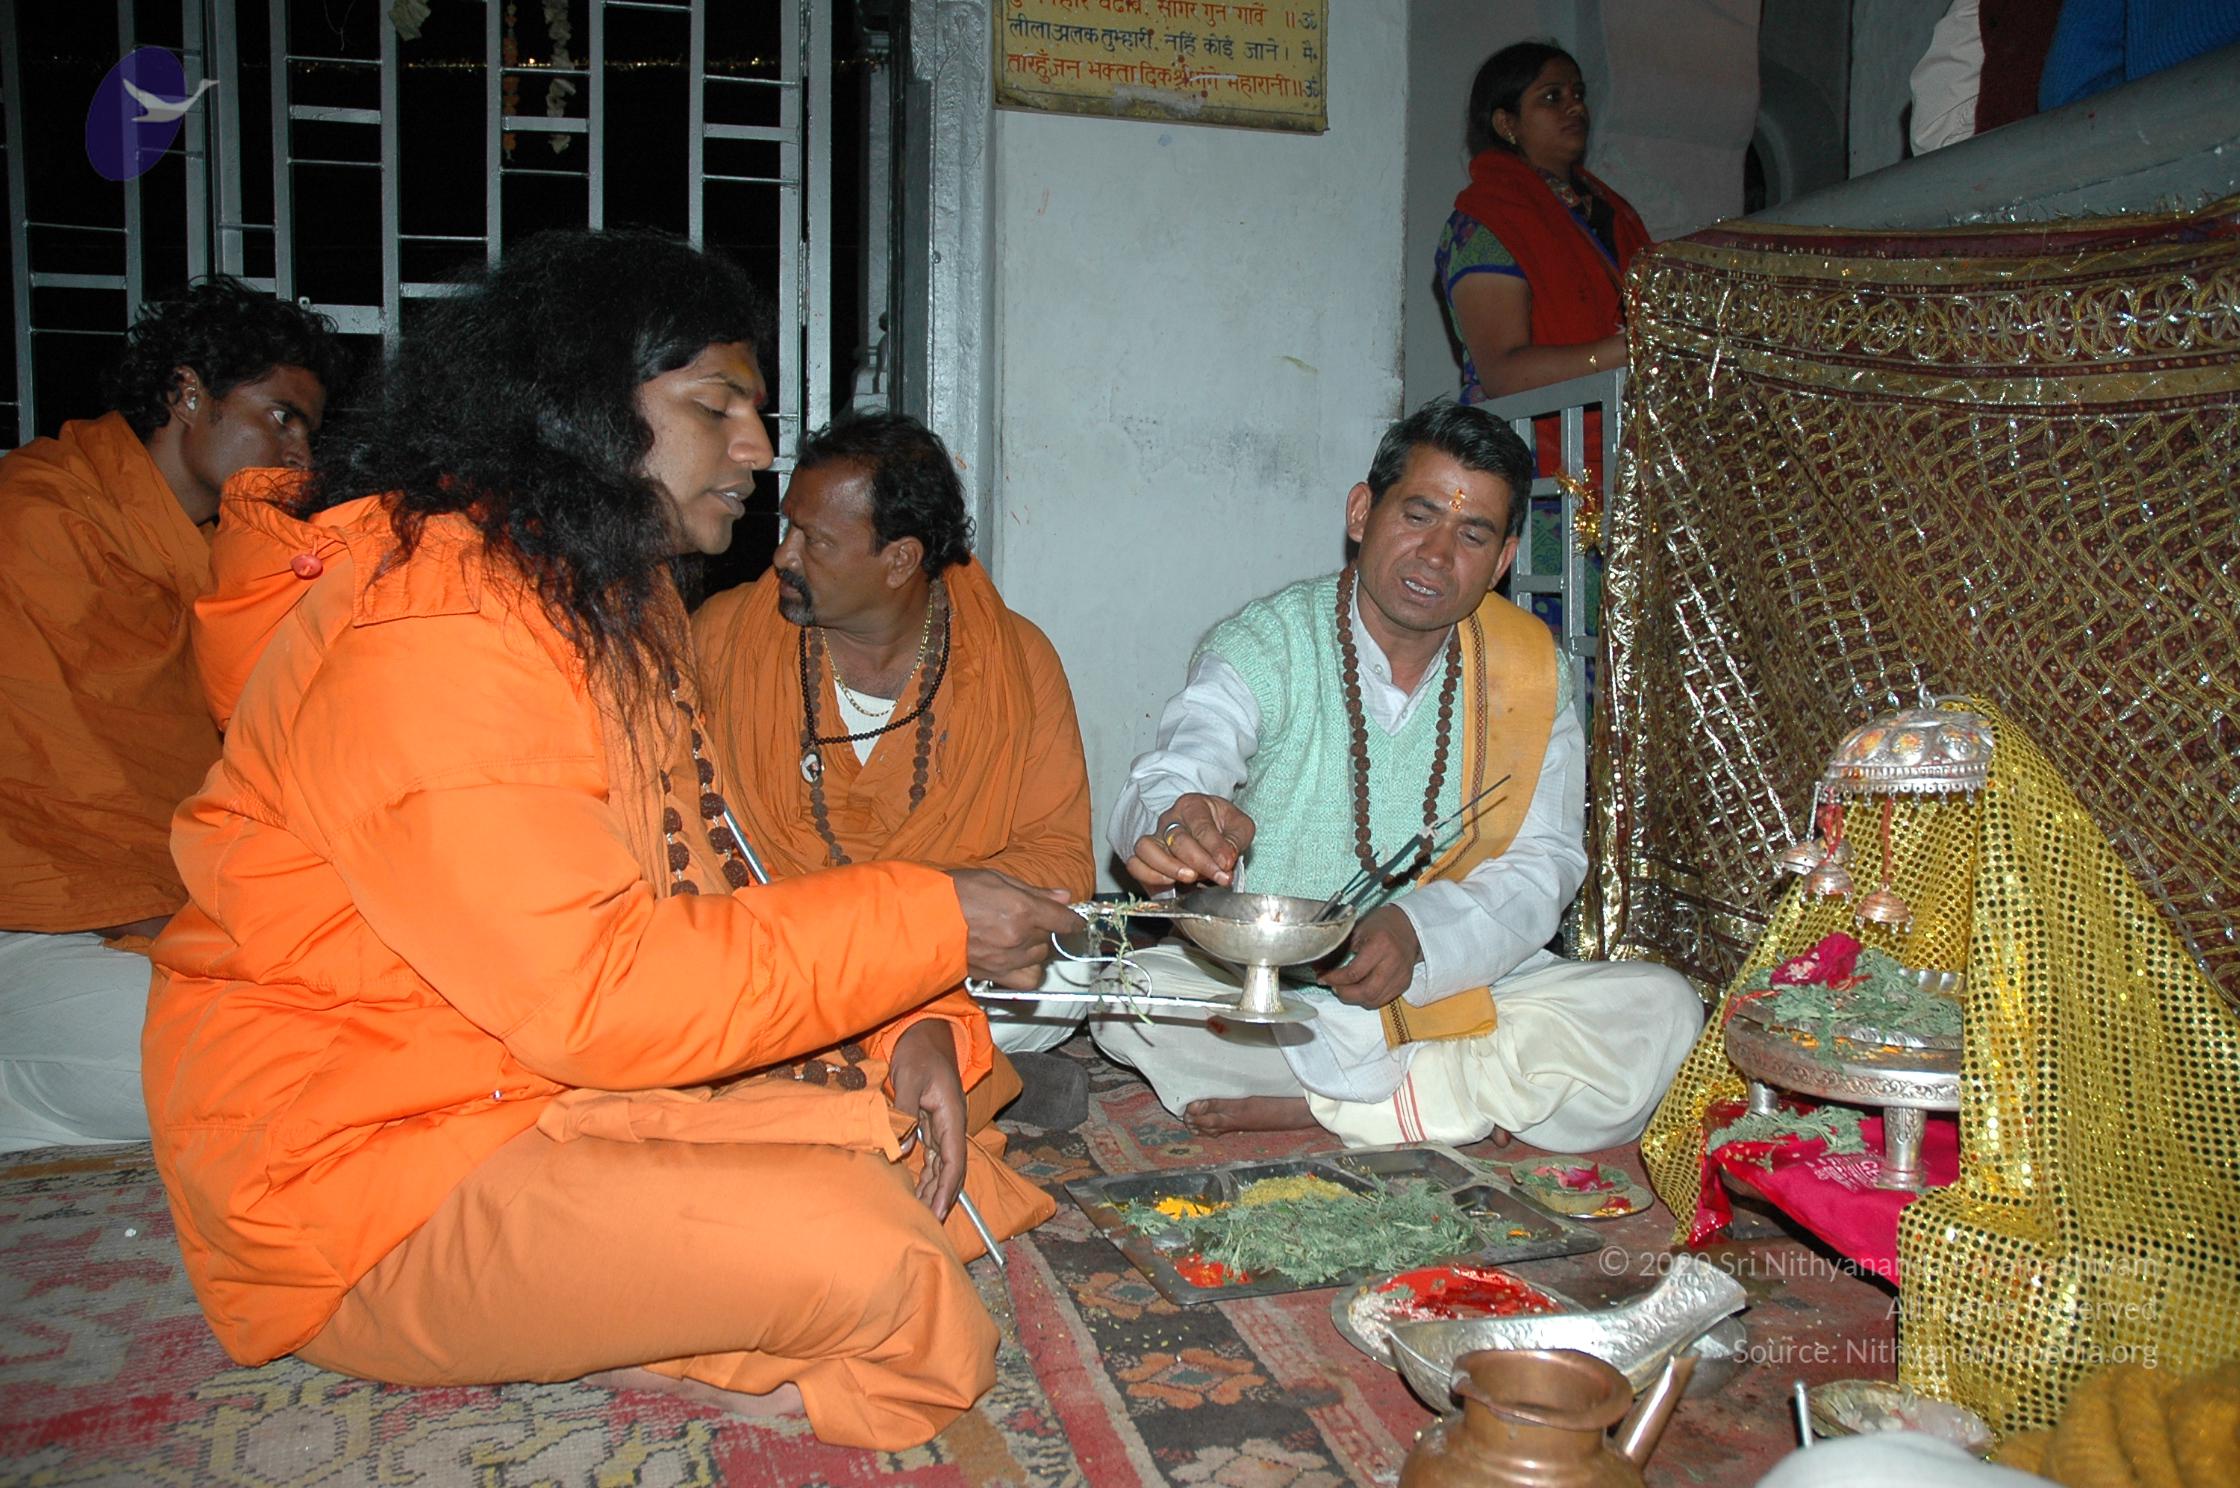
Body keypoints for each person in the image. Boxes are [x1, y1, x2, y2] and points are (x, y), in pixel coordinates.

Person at [139, 229, 1083, 1451]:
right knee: (885, 1268)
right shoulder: (436, 631)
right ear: (581, 408)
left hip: (525, 1083)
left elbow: (709, 875)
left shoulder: (600, 594)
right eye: (715, 408)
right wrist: (931, 918)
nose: (756, 451)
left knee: (940, 1131)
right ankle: (670, 1321)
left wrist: (901, 1020)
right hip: (363, 1173)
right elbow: (600, 995)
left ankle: (666, 1286)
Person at [1092, 401, 1699, 1150]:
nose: (1437, 556)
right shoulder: (1268, 644)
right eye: (1418, 516)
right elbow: (1178, 766)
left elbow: (1545, 860)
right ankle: (1445, 1098)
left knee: (1663, 1009)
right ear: (1361, 512)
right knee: (1124, 1002)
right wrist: (1175, 821)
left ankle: (1326, 1105)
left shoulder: (1529, 673)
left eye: (1472, 534)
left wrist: (1419, 934)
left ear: (1503, 560)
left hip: (1447, 981)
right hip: (1271, 987)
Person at [0, 277, 342, 1155]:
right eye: (281, 417)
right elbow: (64, 781)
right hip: (36, 927)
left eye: (309, 428)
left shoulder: (240, 558)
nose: (300, 452)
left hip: (176, 913)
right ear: (188, 394)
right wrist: (175, 924)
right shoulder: (34, 523)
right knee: (261, 1075)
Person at [692, 411, 1100, 1120]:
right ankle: (952, 1068)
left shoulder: (1015, 662)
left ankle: (835, 1067)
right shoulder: (723, 639)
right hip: (781, 950)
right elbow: (683, 827)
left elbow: (1059, 859)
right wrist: (861, 927)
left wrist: (915, 924)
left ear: (900, 560)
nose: (783, 556)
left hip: (944, 960)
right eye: (789, 529)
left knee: (1071, 975)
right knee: (683, 966)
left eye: (816, 540)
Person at [1436, 42, 1651, 477]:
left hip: (1628, 452)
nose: (1575, 107)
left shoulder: (1610, 214)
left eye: (1578, 94)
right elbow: (1503, 373)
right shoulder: (1487, 221)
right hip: (1535, 467)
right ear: (1507, 123)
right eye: (1552, 97)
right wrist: (1623, 351)